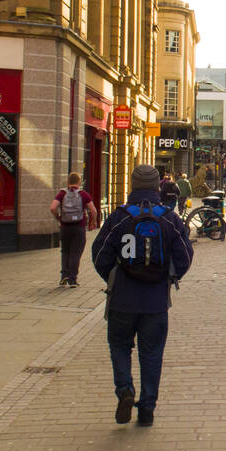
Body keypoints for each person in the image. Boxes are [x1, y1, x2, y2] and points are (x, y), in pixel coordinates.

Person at [91, 163, 194, 426]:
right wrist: (169, 277)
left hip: (122, 299)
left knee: (119, 346)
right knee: (152, 353)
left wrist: (114, 277)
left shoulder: (119, 217)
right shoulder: (169, 218)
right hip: (156, 302)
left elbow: (99, 254)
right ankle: (147, 408)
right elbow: (185, 255)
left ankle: (125, 389)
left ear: (133, 185)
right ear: (157, 186)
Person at [51, 171, 98, 287]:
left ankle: (64, 276)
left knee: (65, 251)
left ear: (68, 182)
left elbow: (52, 207)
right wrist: (93, 221)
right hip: (79, 228)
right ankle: (73, 279)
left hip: (65, 227)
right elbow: (93, 210)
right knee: (75, 253)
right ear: (79, 182)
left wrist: (58, 218)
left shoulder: (62, 193)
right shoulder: (83, 194)